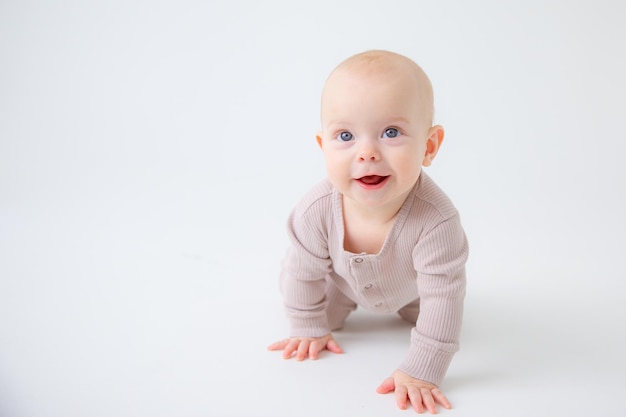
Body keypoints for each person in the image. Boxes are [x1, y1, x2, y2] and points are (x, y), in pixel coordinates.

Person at [267, 49, 469, 414]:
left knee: (432, 317)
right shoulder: (315, 210)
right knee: (319, 315)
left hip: (413, 292)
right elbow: (303, 271)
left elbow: (442, 297)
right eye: (344, 135)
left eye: (391, 132)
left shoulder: (436, 221)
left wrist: (423, 370)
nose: (366, 153)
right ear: (323, 146)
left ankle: (409, 318)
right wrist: (307, 325)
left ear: (429, 145)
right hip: (340, 284)